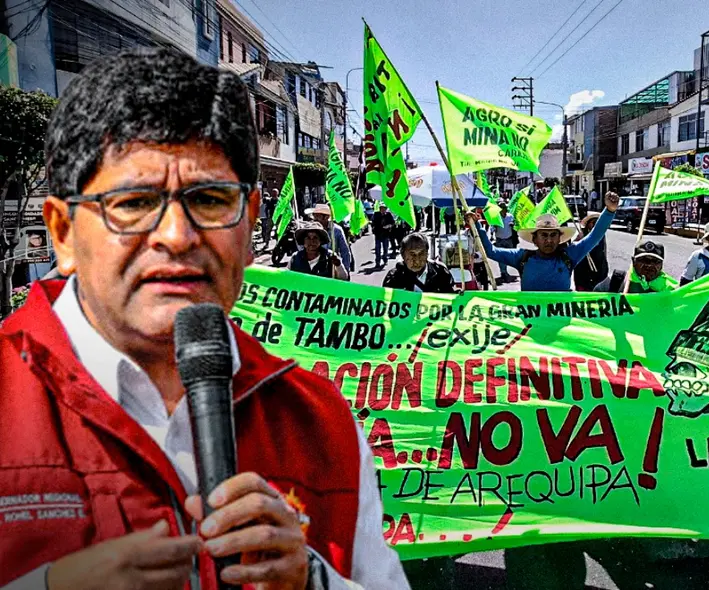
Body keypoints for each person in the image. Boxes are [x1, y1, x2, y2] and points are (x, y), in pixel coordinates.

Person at [0, 47, 407, 590]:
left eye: (210, 199)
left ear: (251, 219)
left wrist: (311, 580)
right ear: (63, 232)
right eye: (134, 202)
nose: (176, 236)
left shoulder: (320, 421)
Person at [468, 191, 619, 292]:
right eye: (544, 235)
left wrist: (609, 211)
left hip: (561, 327)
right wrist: (477, 226)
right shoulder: (522, 257)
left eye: (553, 235)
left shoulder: (569, 256)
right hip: (529, 330)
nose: (549, 240)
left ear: (559, 238)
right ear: (534, 239)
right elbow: (490, 251)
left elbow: (594, 237)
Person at [383, 233, 455, 294]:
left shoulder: (441, 273)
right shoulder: (394, 277)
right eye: (412, 254)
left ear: (427, 254)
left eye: (421, 254)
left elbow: (451, 299)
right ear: (403, 255)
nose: (417, 261)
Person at [597, 239, 675, 294]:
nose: (649, 265)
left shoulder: (672, 289)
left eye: (655, 261)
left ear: (661, 265)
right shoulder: (615, 283)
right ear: (633, 261)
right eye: (644, 260)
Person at [307, 202, 353, 277]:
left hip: (332, 270)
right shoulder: (311, 230)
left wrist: (345, 272)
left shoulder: (336, 230)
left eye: (317, 216)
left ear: (326, 217)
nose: (315, 219)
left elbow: (345, 252)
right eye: (314, 216)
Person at [572, 211, 609, 291]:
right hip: (583, 276)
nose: (596, 225)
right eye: (593, 222)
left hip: (599, 274)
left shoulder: (602, 236)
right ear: (588, 224)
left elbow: (604, 253)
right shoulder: (582, 236)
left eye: (598, 222)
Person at [491, 202, 517, 282]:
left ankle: (505, 271)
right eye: (502, 208)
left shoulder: (510, 216)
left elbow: (516, 226)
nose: (504, 210)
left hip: (509, 239)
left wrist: (513, 225)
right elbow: (492, 229)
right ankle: (503, 272)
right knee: (501, 257)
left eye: (504, 208)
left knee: (510, 256)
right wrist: (494, 227)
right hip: (500, 240)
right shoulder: (496, 218)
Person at [372, 202, 395, 267]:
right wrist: (373, 227)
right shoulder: (376, 214)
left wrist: (389, 226)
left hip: (385, 234)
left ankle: (385, 259)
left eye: (384, 208)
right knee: (377, 249)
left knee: (385, 248)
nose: (382, 210)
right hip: (378, 234)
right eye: (381, 208)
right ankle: (377, 262)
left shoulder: (388, 215)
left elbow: (393, 223)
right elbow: (373, 222)